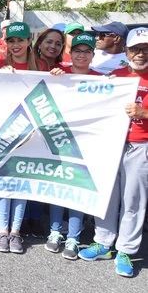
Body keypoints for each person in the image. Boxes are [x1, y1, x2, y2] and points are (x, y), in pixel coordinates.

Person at [78, 27, 148, 277]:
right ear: (127, 51)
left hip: (141, 146)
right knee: (106, 195)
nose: (140, 54)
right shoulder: (115, 76)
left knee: (133, 200)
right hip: (111, 144)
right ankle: (103, 242)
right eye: (136, 49)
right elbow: (80, 86)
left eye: (145, 49)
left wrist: (144, 114)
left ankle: (127, 249)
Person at [0, 21, 46, 253]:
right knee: (3, 181)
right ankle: (2, 231)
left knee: (22, 184)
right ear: (6, 43)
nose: (16, 44)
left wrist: (58, 74)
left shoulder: (40, 65)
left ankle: (16, 232)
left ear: (29, 41)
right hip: (5, 131)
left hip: (32, 134)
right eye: (11, 40)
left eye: (20, 40)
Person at [46, 33, 99, 259]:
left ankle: (74, 237)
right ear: (71, 53)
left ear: (93, 55)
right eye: (77, 50)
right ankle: (55, 232)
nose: (81, 55)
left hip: (86, 142)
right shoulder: (60, 74)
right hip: (59, 139)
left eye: (86, 51)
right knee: (58, 188)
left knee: (78, 188)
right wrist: (54, 76)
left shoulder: (102, 80)